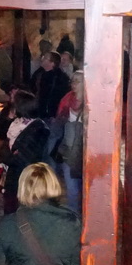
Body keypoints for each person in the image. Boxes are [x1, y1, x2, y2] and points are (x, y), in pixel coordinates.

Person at [1, 92, 50, 216]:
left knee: (20, 203)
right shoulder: (17, 122)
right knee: (10, 199)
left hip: (24, 174)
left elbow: (27, 155)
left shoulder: (37, 128)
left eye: (15, 103)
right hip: (14, 170)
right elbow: (3, 138)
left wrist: (9, 156)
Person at [55, 70, 86, 211]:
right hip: (69, 149)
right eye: (72, 81)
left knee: (84, 188)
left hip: (85, 151)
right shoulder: (67, 99)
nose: (73, 84)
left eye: (77, 81)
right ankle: (75, 220)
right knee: (72, 189)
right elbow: (59, 121)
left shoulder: (91, 102)